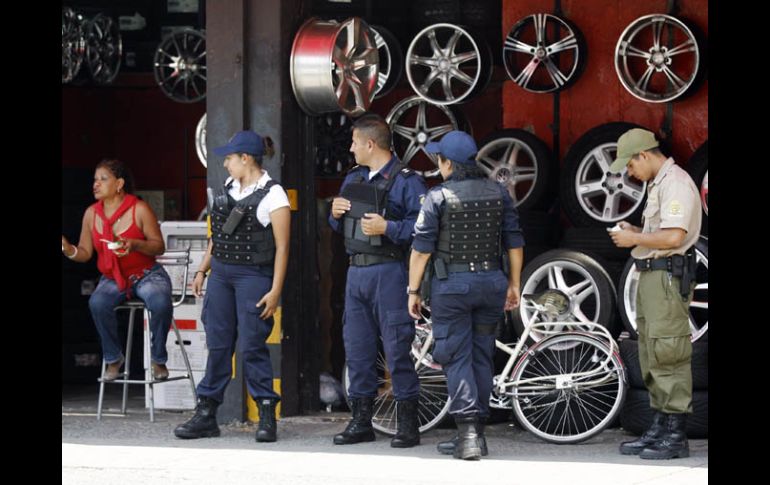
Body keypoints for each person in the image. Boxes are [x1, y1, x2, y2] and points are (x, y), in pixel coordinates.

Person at [406, 130, 524, 460]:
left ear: (448, 163)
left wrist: (413, 290)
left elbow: (421, 251)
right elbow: (514, 242)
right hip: (492, 284)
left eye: (439, 160)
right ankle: (479, 435)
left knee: (456, 356)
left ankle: (468, 433)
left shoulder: (438, 196)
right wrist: (514, 284)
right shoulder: (499, 193)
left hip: (452, 288)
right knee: (481, 355)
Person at [173, 130, 290, 443]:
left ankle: (266, 414)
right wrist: (202, 269)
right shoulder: (227, 187)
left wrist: (276, 290)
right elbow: (219, 237)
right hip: (221, 275)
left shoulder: (274, 195)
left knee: (253, 343)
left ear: (245, 159)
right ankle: (207, 414)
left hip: (254, 275)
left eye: (229, 158)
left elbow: (282, 248)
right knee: (219, 342)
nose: (225, 164)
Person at [329, 113, 427, 448]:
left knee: (397, 347)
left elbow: (424, 227)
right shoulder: (354, 177)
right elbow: (337, 226)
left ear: (370, 144)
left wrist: (390, 228)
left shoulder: (407, 180)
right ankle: (360, 421)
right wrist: (336, 212)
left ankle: (407, 426)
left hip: (390, 271)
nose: (351, 148)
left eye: (355, 142)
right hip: (356, 271)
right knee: (357, 347)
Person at [608, 128, 701, 460]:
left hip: (666, 279)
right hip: (652, 278)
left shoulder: (675, 182)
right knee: (651, 354)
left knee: (668, 354)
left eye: (630, 166)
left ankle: (674, 435)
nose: (629, 173)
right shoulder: (659, 183)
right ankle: (660, 427)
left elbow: (674, 237)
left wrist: (635, 240)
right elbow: (660, 233)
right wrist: (638, 231)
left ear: (644, 155)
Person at [61, 159, 173, 382]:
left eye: (103, 179)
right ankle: (114, 359)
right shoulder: (91, 214)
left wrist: (134, 244)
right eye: (95, 180)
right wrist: (68, 249)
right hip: (112, 278)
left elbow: (158, 246)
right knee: (97, 303)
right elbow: (84, 252)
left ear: (119, 183)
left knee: (159, 300)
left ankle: (158, 359)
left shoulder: (139, 208)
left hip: (146, 274)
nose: (96, 184)